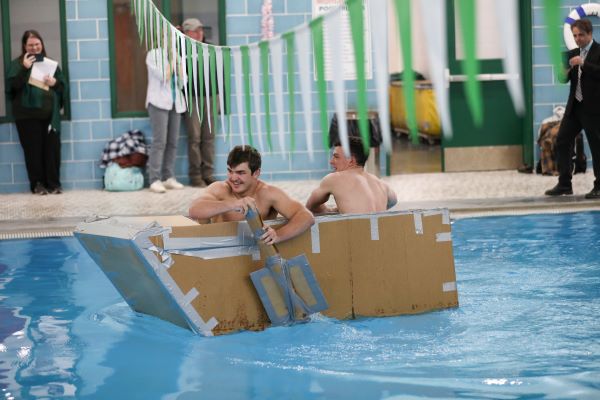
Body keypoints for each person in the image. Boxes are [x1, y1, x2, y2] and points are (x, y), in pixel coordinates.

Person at [188, 145, 314, 245]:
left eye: (240, 173)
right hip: (221, 252)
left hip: (255, 255)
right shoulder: (220, 189)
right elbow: (194, 210)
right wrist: (233, 204)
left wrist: (278, 235)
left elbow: (306, 217)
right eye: (230, 171)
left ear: (256, 173)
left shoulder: (267, 193)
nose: (233, 178)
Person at [6, 30, 67, 195]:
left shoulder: (51, 64)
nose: (34, 47)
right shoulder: (17, 64)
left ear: (42, 44)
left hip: (50, 116)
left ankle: (54, 184)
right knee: (33, 151)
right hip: (27, 117)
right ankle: (37, 185)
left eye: (37, 44)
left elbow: (62, 87)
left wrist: (54, 83)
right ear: (24, 46)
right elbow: (12, 88)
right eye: (30, 45)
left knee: (52, 150)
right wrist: (24, 69)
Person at [545, 19, 600, 199]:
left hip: (594, 109)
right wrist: (564, 72)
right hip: (575, 107)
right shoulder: (572, 54)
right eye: (575, 35)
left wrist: (584, 63)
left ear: (590, 34)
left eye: (581, 35)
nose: (578, 39)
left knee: (597, 146)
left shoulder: (598, 52)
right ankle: (564, 184)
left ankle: (599, 186)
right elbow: (564, 79)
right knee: (562, 140)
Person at [306, 137, 397, 214]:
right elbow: (393, 201)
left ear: (351, 161)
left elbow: (310, 206)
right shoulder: (381, 184)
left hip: (355, 233)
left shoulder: (334, 178)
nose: (331, 161)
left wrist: (330, 210)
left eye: (336, 157)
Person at [145, 46, 186, 193]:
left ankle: (168, 177)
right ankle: (154, 179)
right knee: (159, 141)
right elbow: (164, 76)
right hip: (158, 103)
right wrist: (173, 62)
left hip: (176, 103)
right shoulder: (153, 55)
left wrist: (179, 67)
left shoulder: (177, 56)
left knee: (173, 142)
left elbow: (183, 82)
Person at [182, 18, 216, 187]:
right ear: (187, 33)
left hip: (210, 97)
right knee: (194, 138)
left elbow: (219, 73)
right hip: (192, 98)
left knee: (209, 138)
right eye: (195, 31)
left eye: (200, 30)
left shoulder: (210, 48)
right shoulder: (181, 49)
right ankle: (195, 176)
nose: (199, 34)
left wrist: (218, 97)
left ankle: (208, 173)